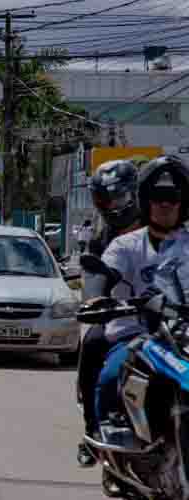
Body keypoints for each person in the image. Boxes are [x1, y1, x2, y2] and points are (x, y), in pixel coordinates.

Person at [94, 157, 189, 426]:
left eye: (173, 197)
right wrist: (97, 296)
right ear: (146, 200)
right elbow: (105, 274)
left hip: (183, 338)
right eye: (158, 197)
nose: (165, 204)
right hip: (137, 337)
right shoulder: (124, 245)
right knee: (111, 376)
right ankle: (106, 430)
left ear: (183, 202)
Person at [76, 159, 142, 467]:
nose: (111, 205)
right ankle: (93, 428)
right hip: (121, 315)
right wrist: (94, 302)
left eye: (117, 197)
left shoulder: (163, 226)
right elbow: (92, 276)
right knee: (92, 344)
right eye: (103, 199)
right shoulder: (102, 237)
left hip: (168, 315)